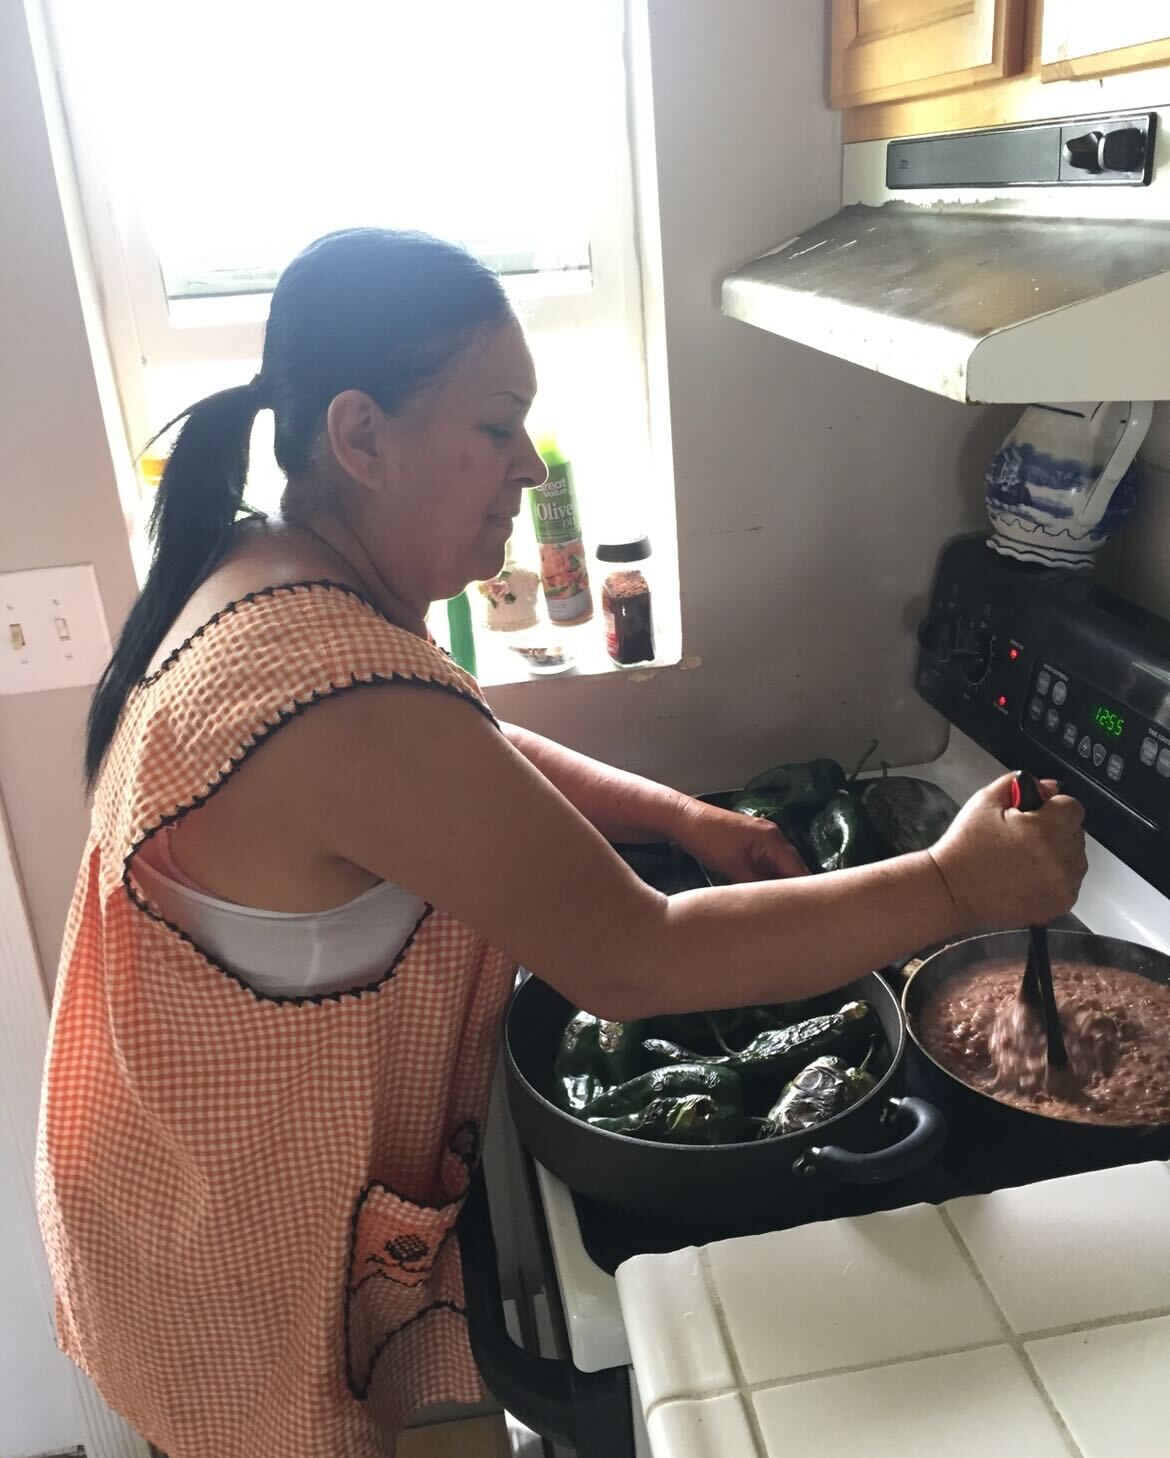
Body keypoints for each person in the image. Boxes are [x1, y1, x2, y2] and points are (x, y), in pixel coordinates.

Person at [36, 229, 1086, 1458]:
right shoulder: (333, 692)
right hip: (236, 1254)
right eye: (496, 426)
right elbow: (635, 960)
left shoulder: (265, 569)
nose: (528, 467)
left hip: (191, 1190)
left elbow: (459, 747)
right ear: (360, 436)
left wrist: (676, 815)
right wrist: (959, 883)